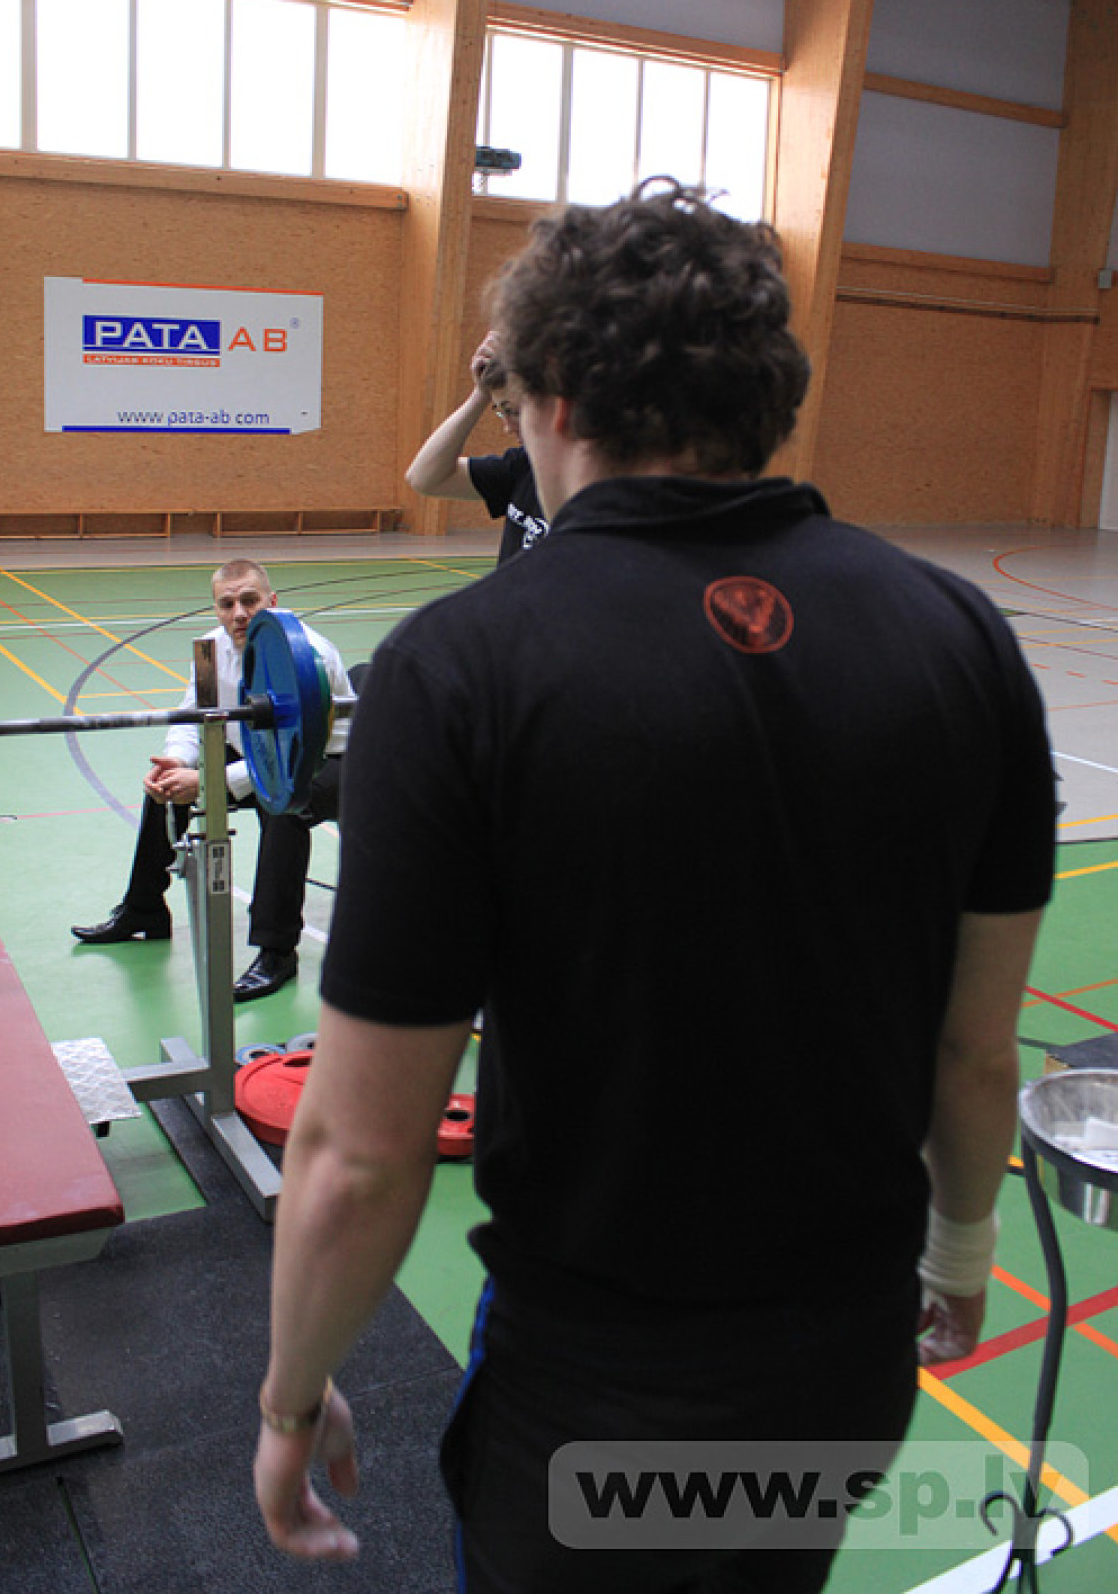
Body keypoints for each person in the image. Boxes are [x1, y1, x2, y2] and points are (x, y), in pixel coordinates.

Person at [253, 183, 1056, 1590]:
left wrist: (289, 1395)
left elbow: (363, 1153)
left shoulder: (459, 671)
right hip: (842, 1365)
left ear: (555, 398)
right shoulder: (960, 637)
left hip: (594, 1390)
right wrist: (961, 1250)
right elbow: (975, 1051)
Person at [72, 557, 353, 1003]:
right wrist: (177, 761)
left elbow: (290, 758)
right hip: (260, 749)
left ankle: (277, 952)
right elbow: (193, 716)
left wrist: (210, 782)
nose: (238, 613)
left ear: (272, 602)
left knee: (282, 809)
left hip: (326, 760)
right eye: (227, 604)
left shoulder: (307, 655)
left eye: (249, 601)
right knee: (168, 788)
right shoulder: (209, 649)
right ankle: (144, 908)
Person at [405, 329, 548, 561]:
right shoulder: (520, 466)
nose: (508, 427)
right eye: (500, 411)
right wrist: (480, 394)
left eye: (513, 411)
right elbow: (424, 478)